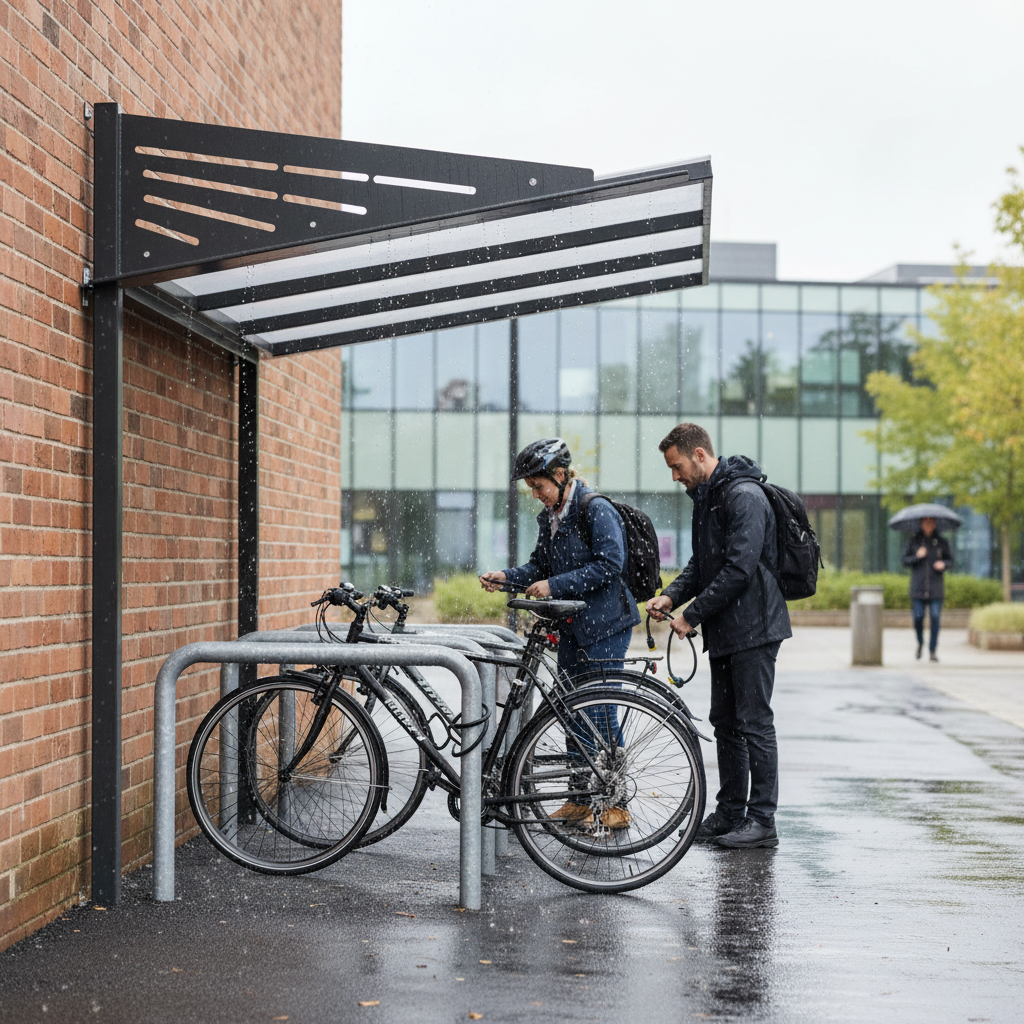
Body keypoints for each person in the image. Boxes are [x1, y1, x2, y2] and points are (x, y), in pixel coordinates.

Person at [479, 438, 640, 829]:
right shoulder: (548, 518)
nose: (535, 495)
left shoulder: (594, 509)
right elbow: (539, 566)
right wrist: (506, 578)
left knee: (600, 711)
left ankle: (616, 805)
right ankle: (579, 800)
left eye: (539, 486)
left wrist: (555, 585)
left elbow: (610, 564)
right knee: (570, 711)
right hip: (572, 627)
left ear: (561, 475)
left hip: (605, 626)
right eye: (531, 488)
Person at [645, 423, 791, 850]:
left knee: (755, 723)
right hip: (729, 627)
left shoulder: (744, 496)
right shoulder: (708, 498)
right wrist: (672, 596)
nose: (675, 476)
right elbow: (703, 563)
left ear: (700, 455)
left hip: (755, 627)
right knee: (726, 723)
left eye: (677, 466)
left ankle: (762, 821)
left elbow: (739, 569)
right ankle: (730, 814)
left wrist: (692, 615)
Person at [903, 516, 952, 662]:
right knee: (918, 617)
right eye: (926, 521)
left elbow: (950, 560)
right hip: (918, 587)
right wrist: (917, 556)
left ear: (935, 523)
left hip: (935, 587)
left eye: (931, 521)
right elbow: (905, 561)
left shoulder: (941, 542)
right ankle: (920, 642)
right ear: (921, 523)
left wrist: (943, 564)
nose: (928, 524)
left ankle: (932, 650)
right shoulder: (914, 541)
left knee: (935, 617)